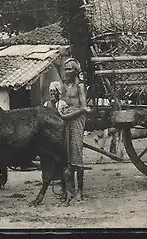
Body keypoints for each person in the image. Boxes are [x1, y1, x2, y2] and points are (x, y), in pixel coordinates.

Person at [61, 58, 90, 201]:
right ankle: (69, 189)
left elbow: (83, 108)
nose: (67, 71)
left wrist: (68, 115)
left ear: (76, 71)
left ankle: (80, 190)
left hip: (77, 119)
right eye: (65, 69)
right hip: (66, 119)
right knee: (67, 154)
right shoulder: (66, 86)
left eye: (70, 69)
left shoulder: (80, 86)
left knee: (76, 154)